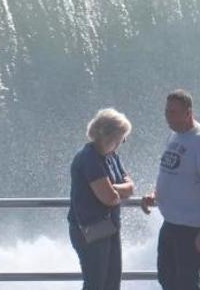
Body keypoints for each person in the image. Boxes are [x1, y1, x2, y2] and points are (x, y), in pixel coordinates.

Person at [140, 90, 200, 290]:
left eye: (174, 112)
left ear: (188, 113)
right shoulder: (175, 136)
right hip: (172, 221)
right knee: (166, 277)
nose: (168, 117)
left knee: (187, 282)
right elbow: (172, 172)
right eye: (166, 112)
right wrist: (154, 195)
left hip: (193, 225)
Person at [68, 108, 134, 290]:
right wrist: (115, 191)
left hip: (109, 228)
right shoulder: (89, 158)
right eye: (122, 138)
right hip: (90, 230)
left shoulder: (111, 156)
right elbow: (110, 199)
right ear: (110, 136)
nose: (123, 142)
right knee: (96, 284)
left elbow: (130, 187)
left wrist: (112, 188)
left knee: (112, 283)